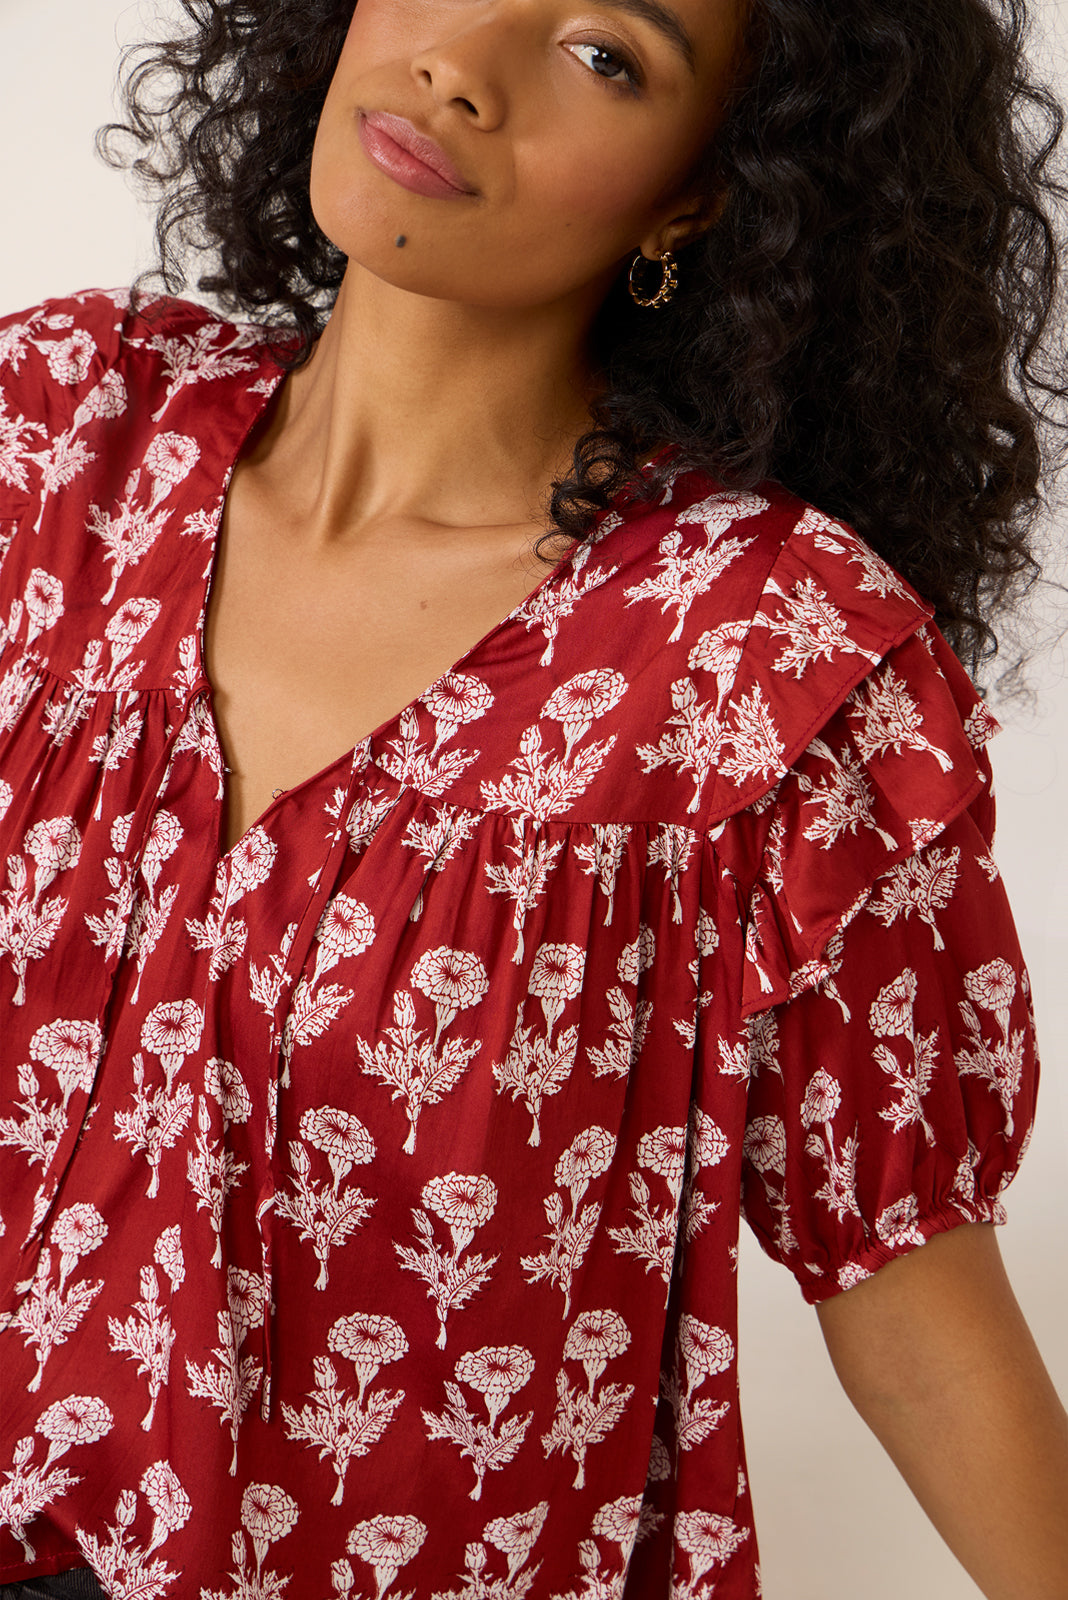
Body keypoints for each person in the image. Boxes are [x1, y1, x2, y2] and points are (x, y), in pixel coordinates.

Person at [1, 0, 1066, 1595]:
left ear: (701, 193)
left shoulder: (764, 661)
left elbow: (911, 1300)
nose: (461, 66)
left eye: (603, 55)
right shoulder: (59, 442)